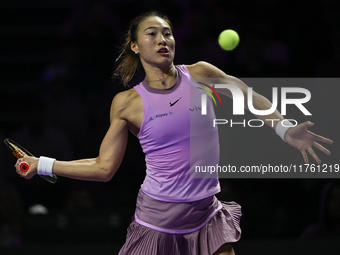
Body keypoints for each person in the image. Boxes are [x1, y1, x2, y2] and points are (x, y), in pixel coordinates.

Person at [15, 11, 333, 255]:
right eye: (152, 34)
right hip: (157, 223)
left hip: (206, 215)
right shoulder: (127, 103)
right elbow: (104, 168)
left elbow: (247, 94)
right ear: (135, 46)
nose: (163, 39)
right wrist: (41, 163)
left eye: (167, 33)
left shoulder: (200, 74)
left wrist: (283, 128)